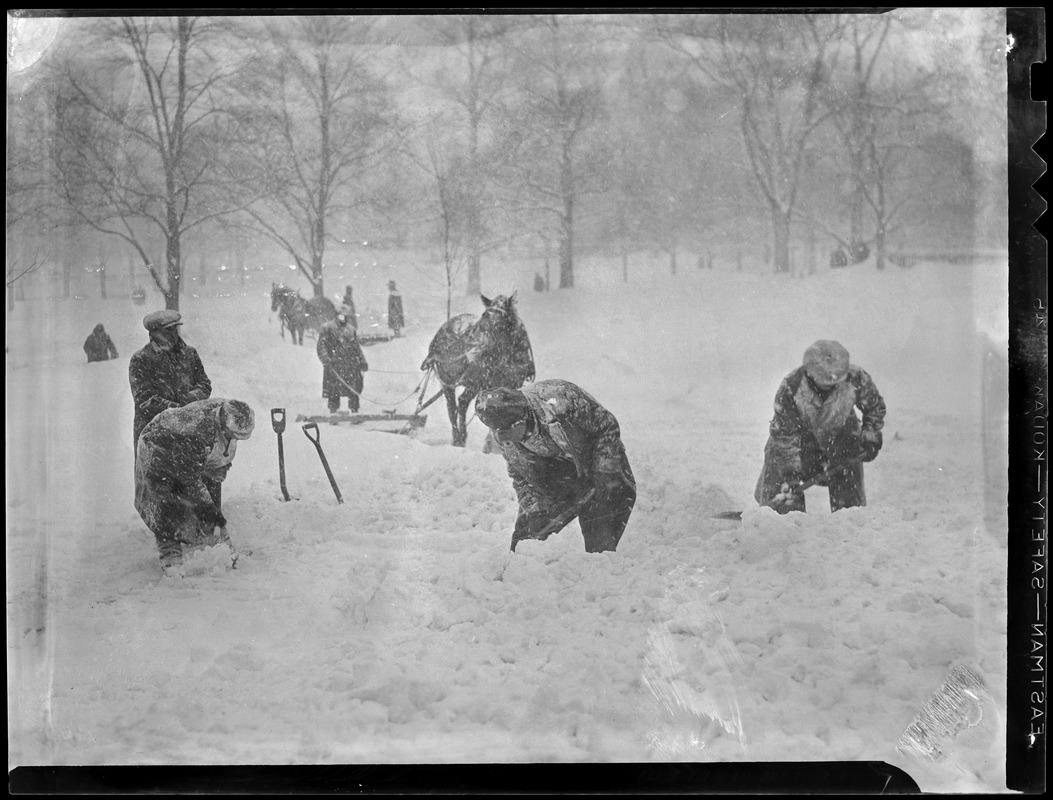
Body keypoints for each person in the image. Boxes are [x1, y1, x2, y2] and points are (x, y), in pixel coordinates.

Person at [475, 380, 637, 554]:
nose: (506, 440)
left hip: (596, 460)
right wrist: (533, 510)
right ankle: (523, 572)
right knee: (524, 540)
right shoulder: (505, 437)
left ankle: (599, 569)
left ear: (520, 421)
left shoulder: (560, 400)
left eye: (507, 432)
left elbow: (607, 425)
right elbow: (520, 477)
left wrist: (604, 470)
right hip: (555, 473)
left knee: (601, 527)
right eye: (499, 434)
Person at [754, 340, 886, 514]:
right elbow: (785, 436)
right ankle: (778, 519)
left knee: (850, 506)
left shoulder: (855, 377)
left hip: (841, 441)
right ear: (810, 372)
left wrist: (870, 435)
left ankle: (850, 522)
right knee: (781, 477)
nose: (831, 385)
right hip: (798, 444)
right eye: (825, 381)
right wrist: (790, 474)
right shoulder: (791, 387)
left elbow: (874, 408)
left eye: (837, 380)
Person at [135, 398, 254, 572]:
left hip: (186, 448)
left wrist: (212, 511)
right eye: (233, 435)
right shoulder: (197, 432)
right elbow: (189, 481)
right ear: (223, 425)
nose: (235, 439)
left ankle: (219, 544)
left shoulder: (227, 410)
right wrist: (210, 512)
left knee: (208, 494)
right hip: (158, 446)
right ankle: (170, 555)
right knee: (167, 498)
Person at [129, 310, 212, 451]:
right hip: (154, 434)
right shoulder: (141, 359)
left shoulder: (189, 354)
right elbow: (144, 400)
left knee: (191, 470)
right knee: (158, 472)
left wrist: (191, 398)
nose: (174, 334)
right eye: (167, 331)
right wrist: (176, 409)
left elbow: (204, 384)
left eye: (175, 329)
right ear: (154, 333)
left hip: (189, 429)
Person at [317, 311, 368, 413]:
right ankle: (333, 411)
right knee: (333, 390)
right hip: (334, 365)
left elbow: (356, 347)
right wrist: (326, 359)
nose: (343, 318)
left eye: (345, 316)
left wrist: (362, 361)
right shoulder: (327, 328)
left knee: (353, 389)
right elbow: (321, 346)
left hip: (350, 365)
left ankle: (355, 411)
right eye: (340, 315)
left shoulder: (351, 329)